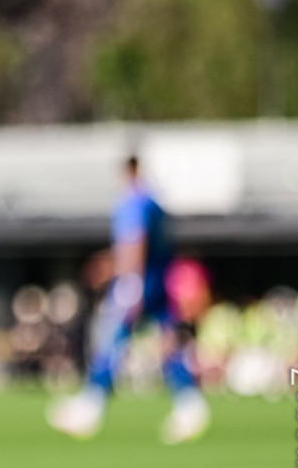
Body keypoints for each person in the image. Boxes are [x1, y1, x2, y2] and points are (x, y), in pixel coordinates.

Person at [48, 154, 208, 443]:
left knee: (112, 339)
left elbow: (135, 241)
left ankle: (90, 406)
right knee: (167, 341)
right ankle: (190, 404)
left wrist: (128, 279)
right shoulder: (154, 201)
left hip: (138, 282)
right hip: (157, 280)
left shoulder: (133, 202)